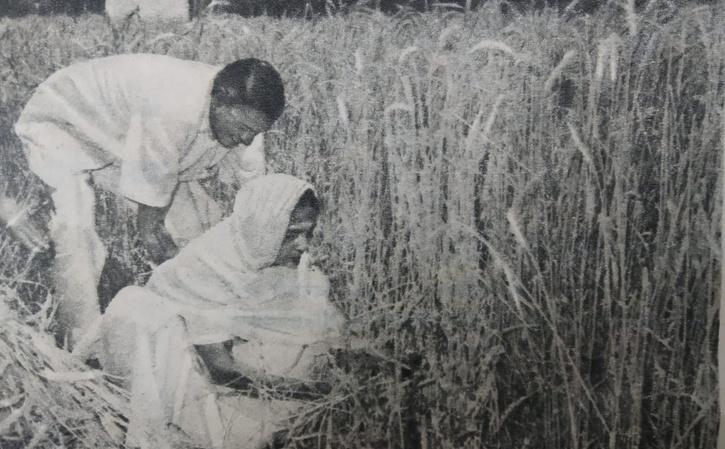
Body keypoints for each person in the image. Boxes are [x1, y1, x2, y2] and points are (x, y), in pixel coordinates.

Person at [13, 54, 285, 349]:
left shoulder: (246, 118)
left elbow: (256, 201)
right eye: (242, 128)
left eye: (255, 132)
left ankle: (207, 333)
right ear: (218, 100)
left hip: (122, 131)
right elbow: (151, 229)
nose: (246, 139)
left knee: (201, 227)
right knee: (75, 226)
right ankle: (81, 345)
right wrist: (181, 272)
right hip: (65, 119)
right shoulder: (173, 107)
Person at [83, 174, 345, 449]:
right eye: (291, 234)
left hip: (227, 357)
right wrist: (314, 392)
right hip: (176, 367)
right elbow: (222, 370)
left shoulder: (268, 253)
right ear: (263, 227)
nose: (303, 245)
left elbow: (309, 320)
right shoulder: (210, 266)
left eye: (308, 232)